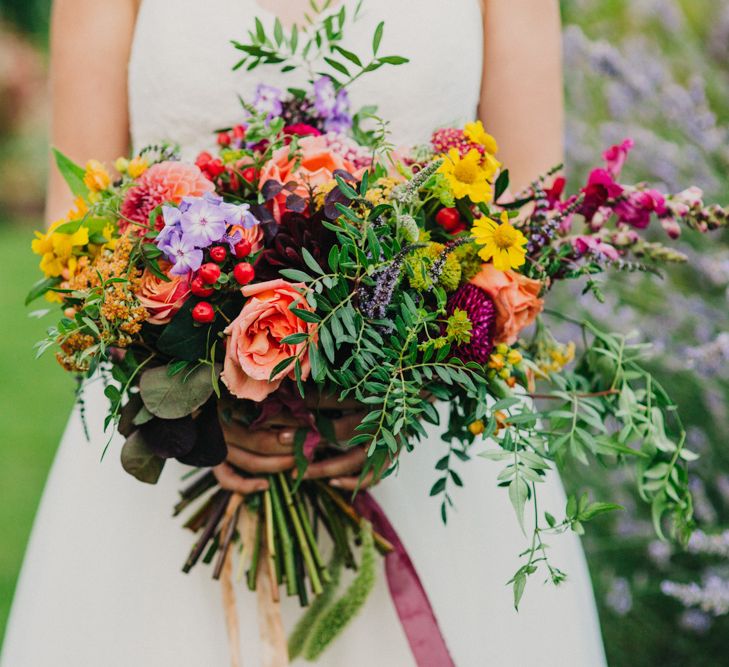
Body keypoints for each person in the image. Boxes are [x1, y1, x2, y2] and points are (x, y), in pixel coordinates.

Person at [2, 1, 607, 665]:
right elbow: (78, 223)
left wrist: (403, 385)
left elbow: (530, 213)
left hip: (421, 437)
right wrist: (202, 396)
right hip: (175, 443)